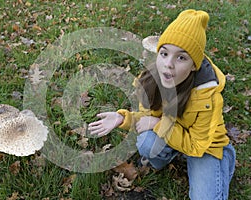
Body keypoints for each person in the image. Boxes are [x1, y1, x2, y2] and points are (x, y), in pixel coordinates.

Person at [88, 9, 236, 200]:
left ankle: (224, 158)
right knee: (147, 142)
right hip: (175, 134)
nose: (168, 64)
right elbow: (147, 118)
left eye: (181, 57)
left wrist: (157, 125)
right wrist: (122, 118)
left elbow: (196, 146)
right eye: (164, 53)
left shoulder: (207, 96)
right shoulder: (151, 80)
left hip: (203, 147)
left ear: (194, 65)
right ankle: (170, 157)